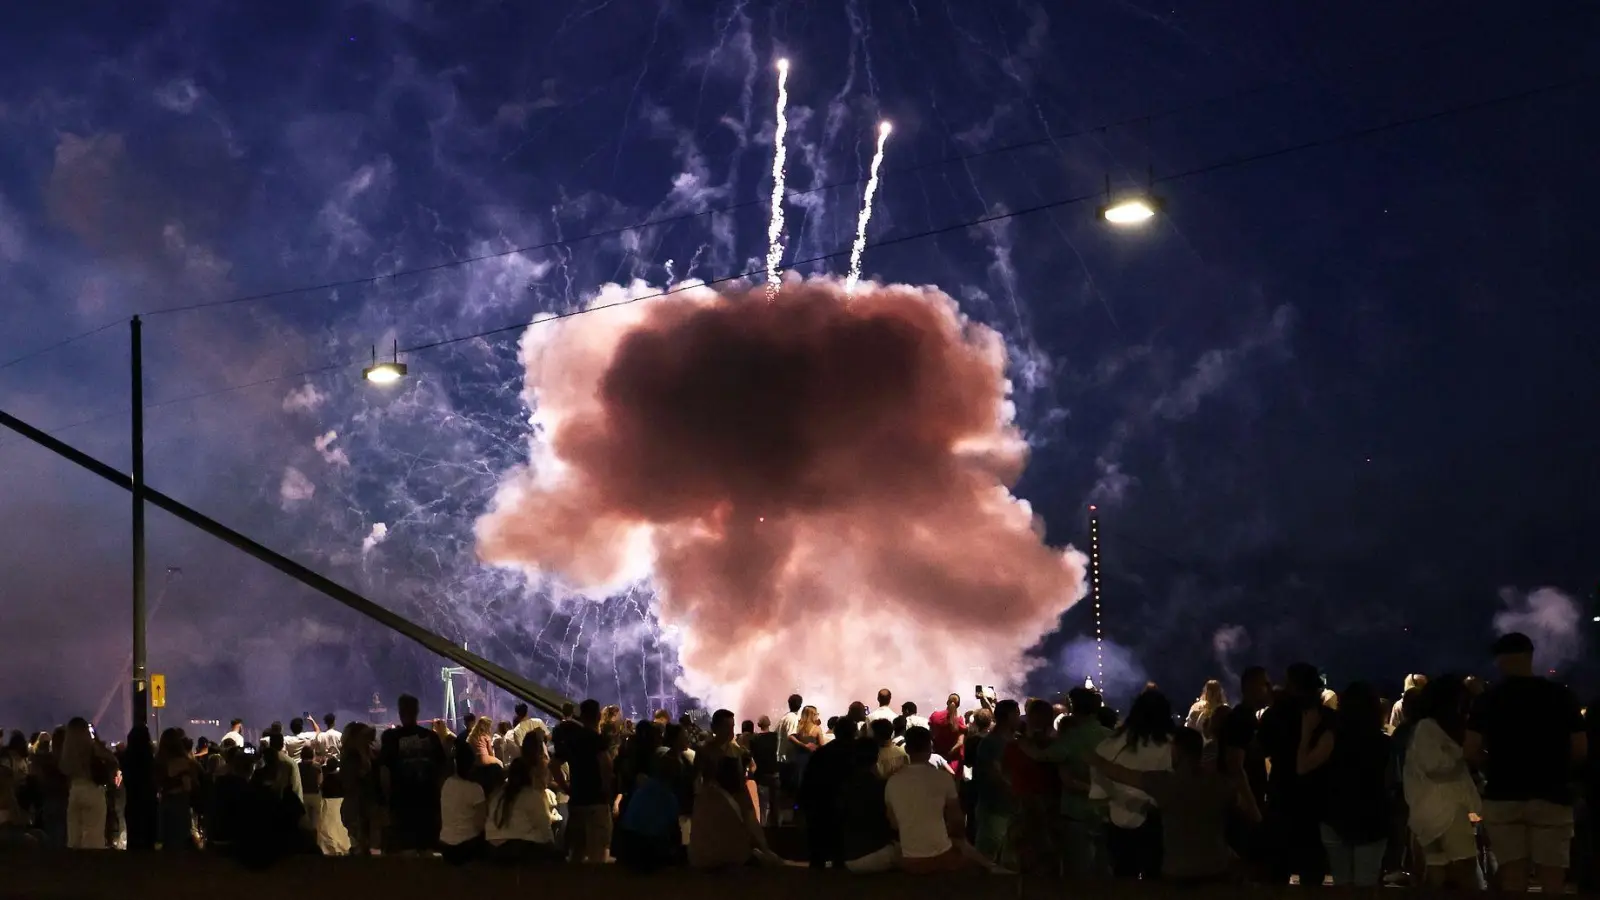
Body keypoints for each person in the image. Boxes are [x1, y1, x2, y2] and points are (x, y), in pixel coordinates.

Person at [1466, 632, 1589, 894]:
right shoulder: (1560, 695)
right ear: (1531, 656)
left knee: (1513, 878)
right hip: (1552, 794)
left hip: (1503, 793)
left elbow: (1471, 749)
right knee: (1553, 878)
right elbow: (1580, 748)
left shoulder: (1488, 699)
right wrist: (1559, 770)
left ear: (1500, 660)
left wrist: (1491, 767)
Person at [1090, 727, 1253, 884]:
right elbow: (1244, 808)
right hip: (1215, 869)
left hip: (1177, 872)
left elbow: (1119, 773)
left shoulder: (1165, 783)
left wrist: (1095, 759)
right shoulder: (1220, 784)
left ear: (1177, 752)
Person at [1299, 681, 1391, 886]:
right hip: (1372, 819)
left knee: (1342, 884)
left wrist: (1306, 733)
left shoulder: (1332, 738)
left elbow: (1303, 766)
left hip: (1335, 817)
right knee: (1366, 883)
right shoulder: (1383, 743)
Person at [1256, 662, 1331, 886]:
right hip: (1316, 795)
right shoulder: (1325, 716)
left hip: (1282, 792)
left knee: (1276, 870)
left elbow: (1262, 748)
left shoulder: (1274, 715)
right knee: (1312, 869)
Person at [1404, 675, 1481, 888]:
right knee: (1464, 865)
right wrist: (1462, 754)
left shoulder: (1425, 728)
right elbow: (1434, 765)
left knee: (1438, 865)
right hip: (1446, 811)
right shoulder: (1428, 728)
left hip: (1432, 810)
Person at [885, 726, 995, 872]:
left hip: (909, 857)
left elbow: (893, 823)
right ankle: (993, 867)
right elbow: (957, 821)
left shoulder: (892, 782)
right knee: (969, 852)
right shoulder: (943, 778)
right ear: (930, 747)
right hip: (942, 855)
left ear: (907, 749)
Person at [1092, 688, 1175, 879]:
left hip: (1115, 820)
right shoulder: (1171, 746)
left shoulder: (1111, 744)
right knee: (1155, 879)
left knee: (1123, 879)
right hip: (1156, 823)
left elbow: (1098, 787)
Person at [378, 694, 447, 855]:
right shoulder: (431, 737)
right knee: (427, 850)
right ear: (417, 711)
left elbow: (384, 771)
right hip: (428, 801)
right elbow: (443, 769)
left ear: (400, 712)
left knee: (405, 851)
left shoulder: (390, 737)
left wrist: (386, 798)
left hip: (402, 802)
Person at [688, 754, 782, 869]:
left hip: (699, 859)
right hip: (728, 859)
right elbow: (754, 831)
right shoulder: (735, 798)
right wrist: (768, 853)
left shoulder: (705, 795)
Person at [554, 698, 613, 863]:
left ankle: (575, 879)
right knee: (598, 851)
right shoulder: (597, 739)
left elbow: (553, 765)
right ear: (598, 716)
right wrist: (606, 787)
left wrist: (566, 787)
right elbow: (606, 764)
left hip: (577, 801)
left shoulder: (572, 739)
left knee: (577, 850)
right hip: (596, 801)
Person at [58, 718, 117, 849]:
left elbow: (64, 771)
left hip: (74, 791)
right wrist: (97, 740)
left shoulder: (67, 753)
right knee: (94, 838)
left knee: (74, 839)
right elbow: (113, 760)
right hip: (92, 790)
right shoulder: (92, 749)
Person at [973, 699, 1019, 865]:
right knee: (986, 857)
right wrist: (1016, 791)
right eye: (1016, 714)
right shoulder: (992, 742)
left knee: (1007, 857)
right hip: (994, 808)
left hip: (1007, 807)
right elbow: (994, 774)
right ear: (1008, 716)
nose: (1019, 717)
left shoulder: (1013, 740)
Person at [439, 741, 487, 864]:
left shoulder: (447, 784)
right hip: (466, 846)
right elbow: (480, 824)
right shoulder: (475, 789)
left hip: (445, 845)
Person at [154, 728, 198, 851]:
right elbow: (188, 786)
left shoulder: (160, 762)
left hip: (165, 802)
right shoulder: (184, 763)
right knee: (180, 840)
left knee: (167, 841)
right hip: (180, 803)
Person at [748, 716, 778, 824]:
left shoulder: (754, 739)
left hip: (761, 776)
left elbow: (751, 757)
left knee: (763, 806)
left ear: (759, 724)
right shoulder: (776, 737)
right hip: (774, 774)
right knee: (775, 806)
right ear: (769, 723)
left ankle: (763, 828)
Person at [929, 693, 968, 775]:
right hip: (953, 761)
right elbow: (960, 743)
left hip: (937, 759)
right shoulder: (959, 720)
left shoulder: (935, 716)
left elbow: (931, 735)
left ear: (947, 702)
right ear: (958, 705)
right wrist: (949, 754)